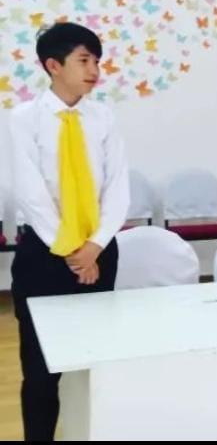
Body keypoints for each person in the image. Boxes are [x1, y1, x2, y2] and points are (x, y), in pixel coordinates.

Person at [10, 23, 130, 441]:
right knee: (41, 370)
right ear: (53, 65)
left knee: (95, 362)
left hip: (99, 251)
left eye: (97, 60)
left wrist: (94, 246)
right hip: (44, 255)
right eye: (84, 60)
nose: (94, 69)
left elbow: (117, 188)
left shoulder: (103, 117)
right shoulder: (22, 120)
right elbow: (30, 194)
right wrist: (73, 251)